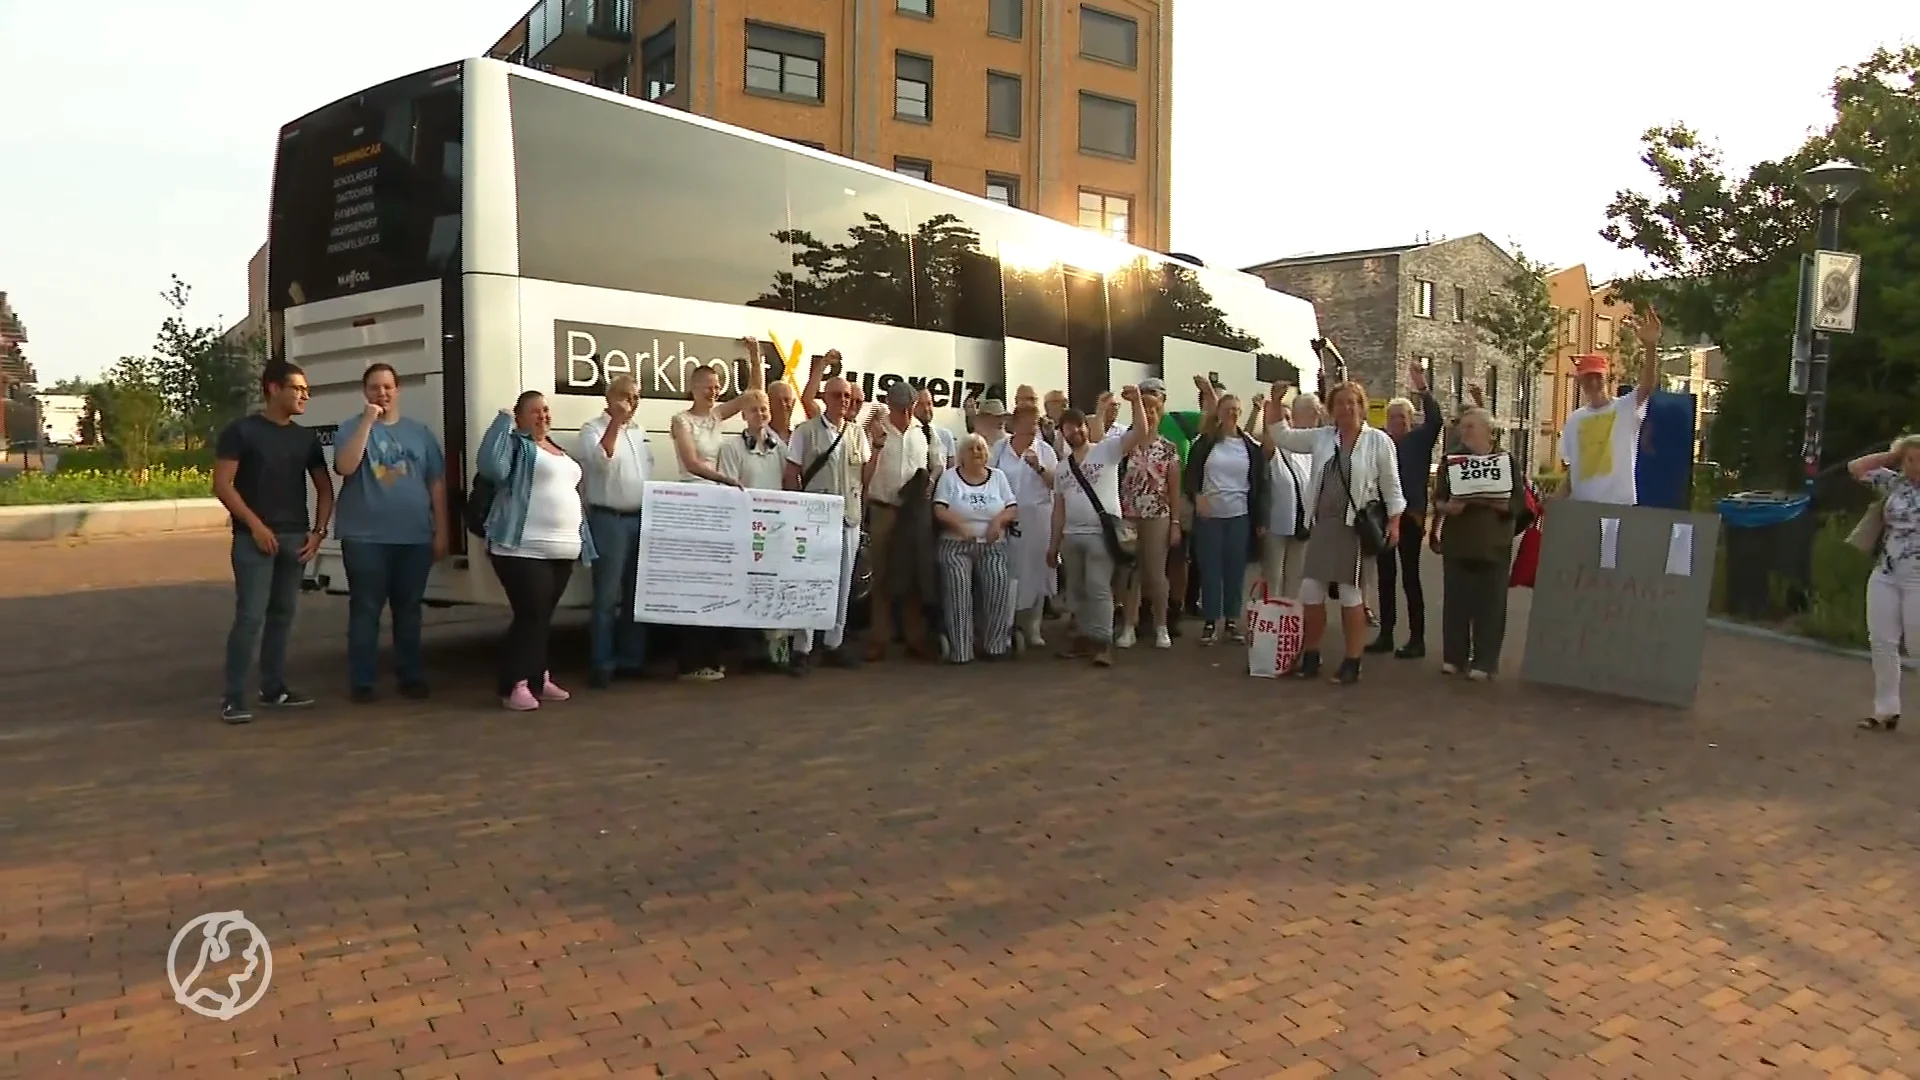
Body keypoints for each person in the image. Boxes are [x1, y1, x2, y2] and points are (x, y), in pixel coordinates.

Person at [211, 363, 334, 724]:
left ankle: (273, 688)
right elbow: (222, 485)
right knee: (250, 616)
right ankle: (233, 697)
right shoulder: (242, 432)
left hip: (295, 539)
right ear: (272, 388)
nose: (304, 396)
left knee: (282, 615)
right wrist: (256, 526)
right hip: (253, 540)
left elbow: (324, 488)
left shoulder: (305, 438)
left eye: (306, 390)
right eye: (297, 389)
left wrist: (318, 532)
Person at [1266, 381, 1405, 685]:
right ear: (1331, 409)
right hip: (1323, 525)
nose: (1347, 408)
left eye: (1353, 402)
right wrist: (1275, 402)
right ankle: (1311, 655)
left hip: (1353, 527)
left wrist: (1394, 522)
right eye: (1341, 403)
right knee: (1310, 592)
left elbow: (1392, 487)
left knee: (1349, 594)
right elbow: (1282, 436)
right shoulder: (1323, 437)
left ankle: (1352, 661)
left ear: (1362, 406)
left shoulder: (1377, 441)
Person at [332, 361, 447, 704]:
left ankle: (410, 676)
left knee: (409, 609)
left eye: (387, 387)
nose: (381, 393)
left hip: (413, 538)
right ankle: (362, 681)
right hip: (365, 539)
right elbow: (345, 466)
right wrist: (368, 421)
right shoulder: (351, 428)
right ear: (364, 392)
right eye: (373, 387)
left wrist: (441, 530)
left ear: (398, 390)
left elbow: (436, 483)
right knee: (366, 609)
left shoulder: (420, 433)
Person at [476, 391, 597, 711]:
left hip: (563, 548)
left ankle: (537, 678)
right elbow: (491, 468)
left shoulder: (559, 449)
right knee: (530, 616)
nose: (542, 415)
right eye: (534, 411)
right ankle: (512, 685)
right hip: (521, 547)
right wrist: (503, 420)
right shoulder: (516, 446)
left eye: (545, 409)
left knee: (542, 618)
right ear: (520, 417)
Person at [668, 344, 761, 682]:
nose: (713, 392)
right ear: (692, 387)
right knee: (695, 583)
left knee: (714, 583)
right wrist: (725, 478)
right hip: (693, 502)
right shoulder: (682, 420)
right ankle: (689, 661)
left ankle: (708, 656)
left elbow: (753, 396)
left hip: (717, 504)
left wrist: (754, 357)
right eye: (707, 386)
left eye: (717, 387)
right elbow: (692, 462)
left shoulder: (715, 417)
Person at [1048, 386, 1149, 666]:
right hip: (1071, 536)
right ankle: (1082, 638)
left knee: (1098, 588)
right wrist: (1053, 545)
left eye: (1078, 426)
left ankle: (1102, 642)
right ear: (1062, 433)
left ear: (1086, 426)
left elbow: (1140, 430)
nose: (1074, 432)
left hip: (1099, 535)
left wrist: (1137, 401)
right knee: (1077, 591)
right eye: (1067, 428)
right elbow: (1059, 510)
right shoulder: (1063, 468)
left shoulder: (1106, 450)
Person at [1430, 407, 1525, 680]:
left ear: (1487, 431)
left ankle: (1484, 661)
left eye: (1471, 426)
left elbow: (1517, 503)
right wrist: (1447, 508)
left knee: (1490, 605)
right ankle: (1454, 657)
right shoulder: (1451, 461)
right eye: (1462, 426)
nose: (1464, 431)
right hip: (1458, 543)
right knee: (1456, 603)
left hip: (1493, 544)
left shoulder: (1506, 461)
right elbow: (1437, 499)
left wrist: (1489, 503)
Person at [785, 373, 869, 670]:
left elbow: (864, 474)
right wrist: (797, 509)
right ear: (825, 397)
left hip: (849, 517)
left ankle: (834, 642)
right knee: (810, 581)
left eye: (847, 396)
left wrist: (863, 509)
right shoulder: (805, 431)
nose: (844, 401)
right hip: (815, 518)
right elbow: (791, 472)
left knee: (844, 583)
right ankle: (802, 648)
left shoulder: (857, 433)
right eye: (837, 395)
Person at [576, 373, 653, 689]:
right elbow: (600, 462)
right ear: (609, 398)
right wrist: (614, 424)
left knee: (636, 594)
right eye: (625, 396)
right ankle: (602, 662)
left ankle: (631, 659)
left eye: (635, 397)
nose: (630, 403)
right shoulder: (592, 429)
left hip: (638, 518)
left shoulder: (639, 432)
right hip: (609, 519)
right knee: (606, 595)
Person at [863, 382, 947, 662]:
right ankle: (879, 638)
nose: (907, 414)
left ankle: (915, 637)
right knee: (882, 574)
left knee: (914, 574)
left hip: (913, 511)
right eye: (902, 409)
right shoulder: (875, 429)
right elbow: (863, 468)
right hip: (883, 508)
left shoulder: (923, 431)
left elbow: (938, 462)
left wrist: (930, 483)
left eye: (910, 408)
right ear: (890, 406)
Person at [1366, 362, 1443, 659]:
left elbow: (1436, 421)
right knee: (1386, 576)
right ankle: (1386, 633)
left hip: (1410, 517)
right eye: (1392, 417)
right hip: (1384, 516)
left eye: (1402, 417)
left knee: (1411, 577)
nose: (1397, 421)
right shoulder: (1379, 443)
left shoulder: (1419, 441)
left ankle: (1417, 639)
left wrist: (1422, 387)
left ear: (1411, 420)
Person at [1183, 389, 1269, 645]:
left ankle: (1232, 620)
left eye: (1235, 410)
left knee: (1235, 569)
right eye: (1227, 408)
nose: (1231, 413)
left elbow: (1259, 484)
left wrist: (1261, 520)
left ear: (1240, 413)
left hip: (1239, 515)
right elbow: (1191, 474)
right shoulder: (1206, 441)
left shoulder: (1248, 446)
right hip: (1210, 516)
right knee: (1210, 569)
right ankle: (1210, 621)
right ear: (1218, 412)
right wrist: (1197, 496)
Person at [1849, 435, 1920, 730]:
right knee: (1881, 641)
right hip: (1887, 570)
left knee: (1917, 644)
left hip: (1917, 576)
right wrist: (1892, 456)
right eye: (1911, 460)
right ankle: (1885, 710)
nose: (1916, 466)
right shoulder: (1895, 484)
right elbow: (1857, 467)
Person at [1557, 305, 1663, 504]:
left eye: (1598, 377)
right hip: (1582, 507)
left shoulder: (1624, 408)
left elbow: (1648, 384)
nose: (1594, 382)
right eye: (1588, 378)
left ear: (1607, 378)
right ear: (1580, 382)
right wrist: (1555, 502)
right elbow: (1573, 471)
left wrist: (1650, 347)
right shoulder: (1575, 420)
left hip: (1618, 508)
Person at [932, 433, 1020, 664]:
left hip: (992, 544)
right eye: (971, 449)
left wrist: (997, 522)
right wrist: (960, 527)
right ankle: (961, 649)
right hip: (956, 544)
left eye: (981, 448)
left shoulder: (998, 477)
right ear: (962, 454)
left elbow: (1011, 508)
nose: (976, 452)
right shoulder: (950, 478)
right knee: (958, 587)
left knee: (998, 583)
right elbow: (940, 509)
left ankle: (995, 645)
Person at [1116, 390, 1182, 649]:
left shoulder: (1167, 449)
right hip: (1129, 516)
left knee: (1155, 574)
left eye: (1153, 409)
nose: (1149, 414)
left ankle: (1161, 625)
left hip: (1158, 516)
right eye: (1144, 409)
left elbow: (1174, 489)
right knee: (1130, 572)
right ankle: (1129, 626)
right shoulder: (1125, 447)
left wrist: (1175, 523)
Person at [991, 402, 1059, 648]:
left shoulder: (1045, 451)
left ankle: (1034, 626)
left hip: (1038, 518)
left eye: (1036, 422)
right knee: (1010, 570)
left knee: (1037, 570)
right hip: (1007, 518)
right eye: (1028, 422)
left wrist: (1038, 467)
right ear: (1016, 423)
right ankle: (1008, 624)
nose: (1033, 428)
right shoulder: (999, 449)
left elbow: (1056, 484)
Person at [1251, 390, 1321, 601]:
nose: (1285, 423)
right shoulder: (1275, 450)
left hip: (1302, 525)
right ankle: (1267, 620)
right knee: (1273, 575)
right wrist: (1274, 403)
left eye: (1288, 418)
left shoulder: (1306, 450)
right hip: (1277, 523)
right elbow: (1269, 440)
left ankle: (1288, 620)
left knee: (1295, 576)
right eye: (1280, 419)